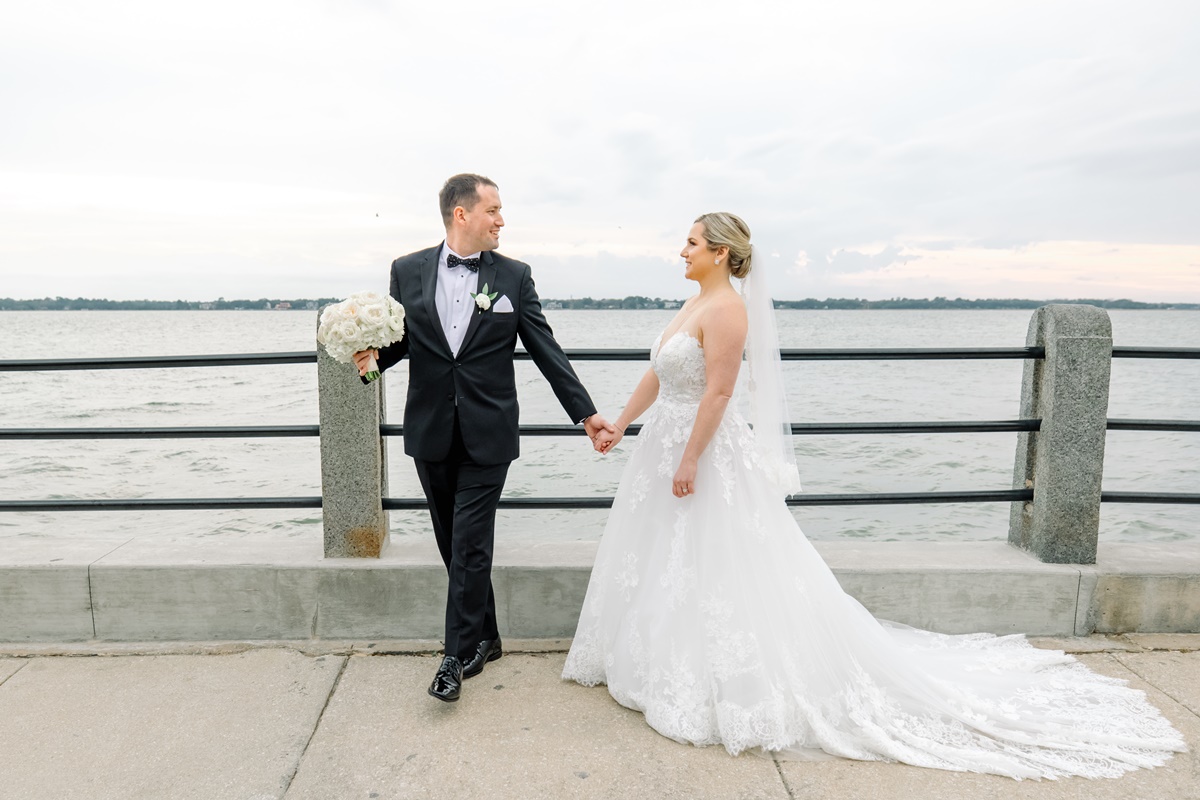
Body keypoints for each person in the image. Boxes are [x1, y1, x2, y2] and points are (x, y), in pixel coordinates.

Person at [562, 212, 1186, 779]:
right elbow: (658, 373)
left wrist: (691, 455)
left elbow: (719, 395)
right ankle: (662, 662)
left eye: (692, 242)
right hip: (661, 444)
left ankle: (720, 678)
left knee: (718, 559)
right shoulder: (693, 301)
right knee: (671, 560)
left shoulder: (728, 312)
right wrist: (620, 421)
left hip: (700, 450)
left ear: (721, 253)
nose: (683, 250)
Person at [355, 174, 614, 702]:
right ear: (461, 214)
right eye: (493, 210)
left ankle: (453, 657)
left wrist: (584, 414)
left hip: (489, 432)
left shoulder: (514, 277)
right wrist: (370, 364)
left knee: (470, 542)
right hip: (430, 429)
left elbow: (546, 349)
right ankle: (488, 638)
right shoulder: (407, 271)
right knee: (456, 545)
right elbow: (403, 341)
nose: (501, 220)